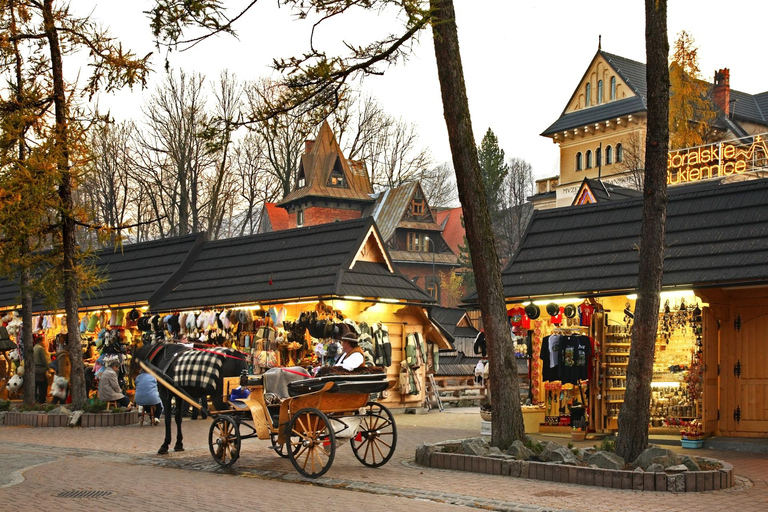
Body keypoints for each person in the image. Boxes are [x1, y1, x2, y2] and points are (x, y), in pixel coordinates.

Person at [33, 336, 51, 403]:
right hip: (41, 369)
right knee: (43, 385)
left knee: (36, 385)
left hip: (35, 369)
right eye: (44, 341)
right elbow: (44, 360)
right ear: (41, 341)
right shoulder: (41, 349)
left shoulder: (34, 347)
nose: (45, 343)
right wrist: (48, 368)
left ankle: (35, 399)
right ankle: (42, 400)